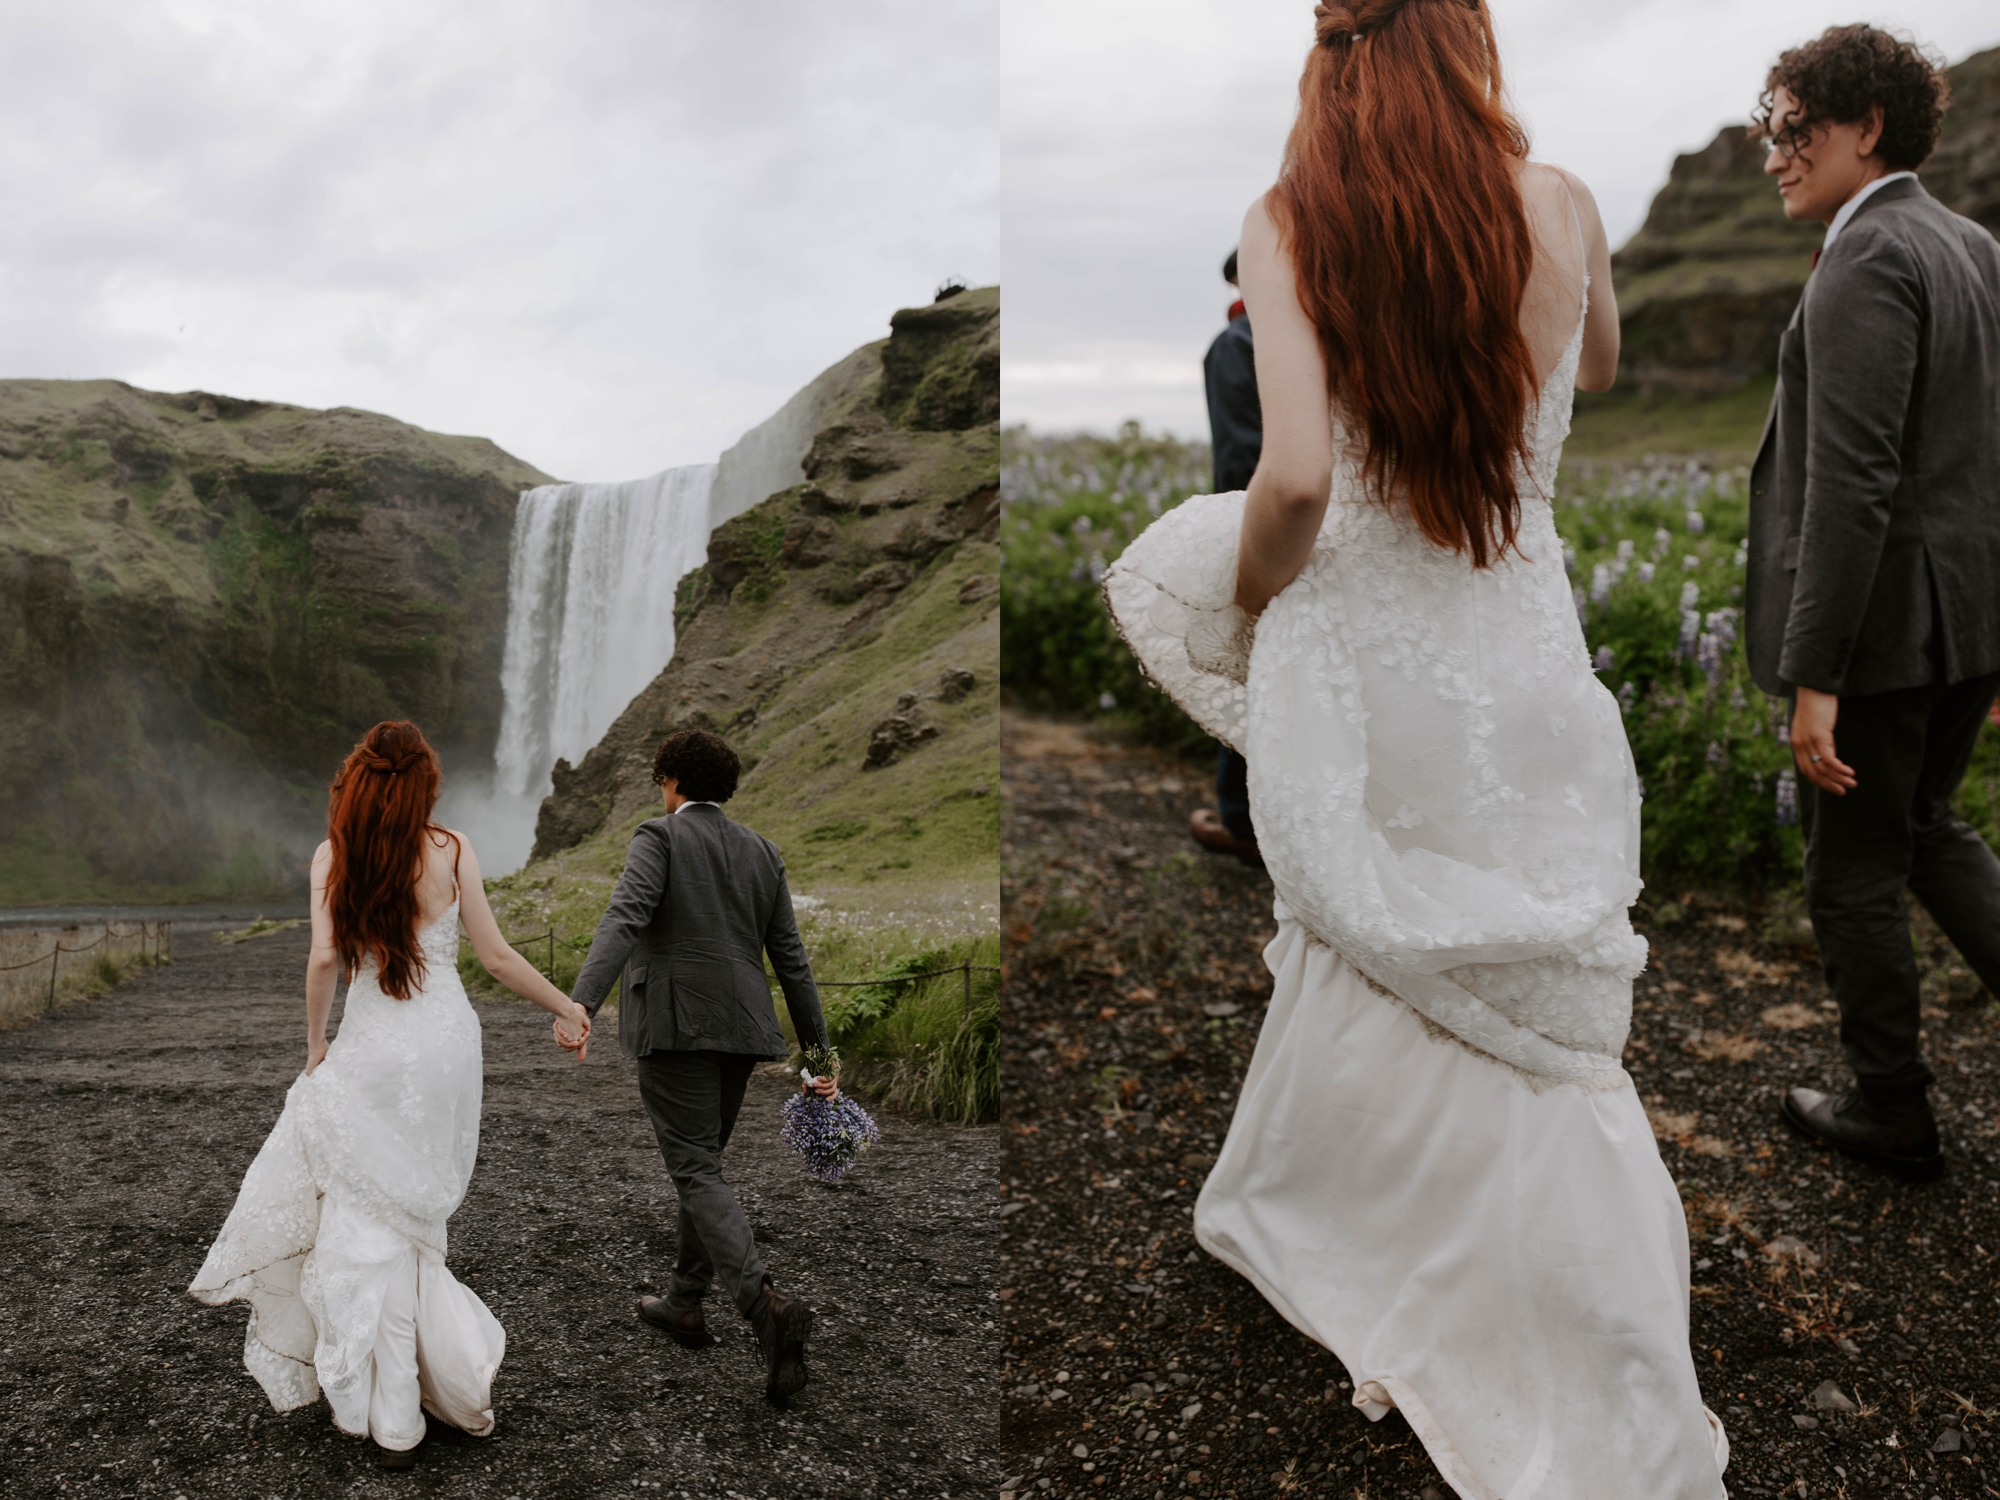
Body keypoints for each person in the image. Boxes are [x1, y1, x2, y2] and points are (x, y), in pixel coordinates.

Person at [1105, 1, 1730, 1493]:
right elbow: (1611, 358)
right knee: (1522, 967)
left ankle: (1364, 1227)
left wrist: (1245, 593)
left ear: (1332, 65)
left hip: (1364, 650)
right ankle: (1582, 1299)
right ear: (1472, 45)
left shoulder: (1291, 219)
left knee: (1367, 940)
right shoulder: (1567, 202)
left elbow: (1300, 479)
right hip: (1517, 644)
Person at [189, 721, 592, 1469]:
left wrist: (316, 1047)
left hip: (373, 1046)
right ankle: (416, 1394)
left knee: (365, 1213)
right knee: (408, 1217)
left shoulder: (332, 858)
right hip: (444, 1049)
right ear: (425, 786)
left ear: (358, 783)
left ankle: (391, 1411)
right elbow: (496, 958)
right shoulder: (454, 849)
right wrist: (567, 1007)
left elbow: (321, 958)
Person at [1743, 25, 2000, 1184]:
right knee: (1928, 830)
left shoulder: (1866, 258)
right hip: (1968, 622)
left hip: (1884, 634)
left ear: (1864, 129)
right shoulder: (1970, 245)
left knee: (1849, 870)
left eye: (1792, 129)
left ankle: (1890, 1110)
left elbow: (1850, 483)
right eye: (1768, 129)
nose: (1773, 154)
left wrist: (1815, 673)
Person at [566, 727, 833, 1406]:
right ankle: (685, 1302)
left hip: (676, 1026)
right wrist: (820, 1056)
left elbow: (624, 917)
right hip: (744, 1029)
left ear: (670, 782)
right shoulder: (762, 851)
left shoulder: (659, 837)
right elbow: (793, 960)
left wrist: (579, 1003)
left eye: (660, 781)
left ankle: (764, 1309)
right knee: (705, 1163)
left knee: (694, 1167)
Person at [1189, 249, 1263, 866]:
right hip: (1264, 519)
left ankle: (1245, 821)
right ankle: (1242, 818)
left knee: (1253, 670)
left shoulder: (1243, 340)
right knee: (1250, 666)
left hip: (1270, 520)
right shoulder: (1239, 342)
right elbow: (1242, 459)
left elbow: (1239, 461)